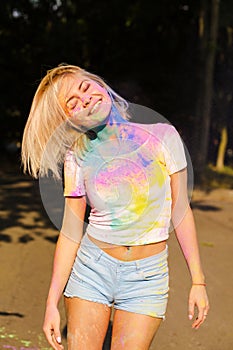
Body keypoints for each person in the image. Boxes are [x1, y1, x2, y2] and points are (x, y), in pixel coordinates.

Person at [21, 64, 209, 350]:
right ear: (69, 120)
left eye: (85, 88)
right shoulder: (77, 156)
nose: (84, 100)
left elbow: (181, 210)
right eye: (72, 103)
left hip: (147, 278)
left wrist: (198, 281)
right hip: (92, 271)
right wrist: (51, 303)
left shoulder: (163, 135)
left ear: (100, 84)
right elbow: (71, 231)